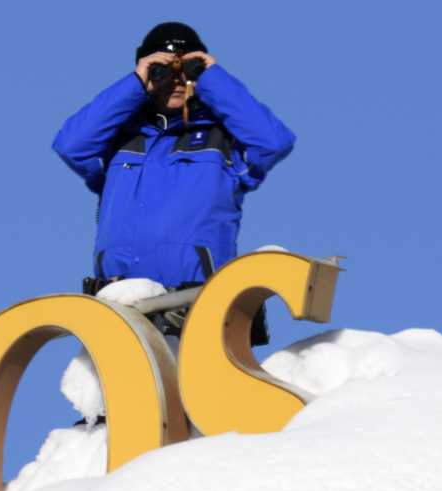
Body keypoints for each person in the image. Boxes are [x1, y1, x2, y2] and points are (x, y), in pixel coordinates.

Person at [52, 23, 294, 339]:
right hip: (120, 314)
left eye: (186, 71)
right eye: (163, 70)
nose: (176, 80)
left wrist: (211, 77)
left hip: (197, 313)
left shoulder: (223, 140)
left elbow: (273, 142)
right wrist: (136, 82)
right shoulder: (121, 141)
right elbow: (71, 145)